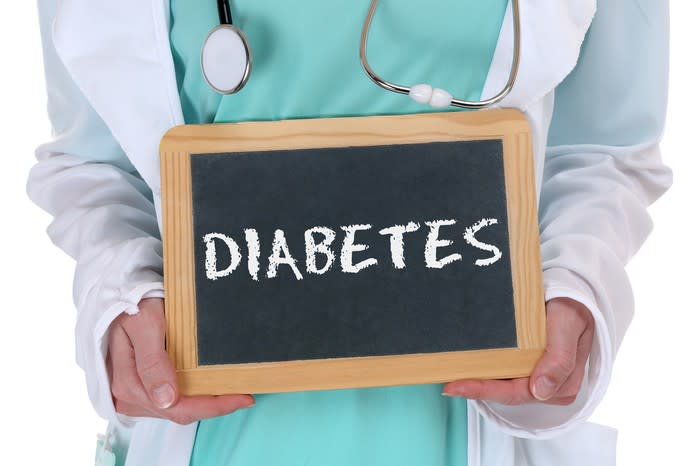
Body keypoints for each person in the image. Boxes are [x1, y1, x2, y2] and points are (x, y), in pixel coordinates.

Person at [28, 0, 672, 465]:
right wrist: (119, 301)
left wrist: (574, 291)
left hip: (465, 420)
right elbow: (97, 163)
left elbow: (604, 149)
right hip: (217, 434)